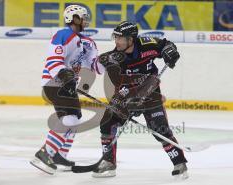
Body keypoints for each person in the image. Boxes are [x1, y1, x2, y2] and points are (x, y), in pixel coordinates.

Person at [92, 21, 188, 178]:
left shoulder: (147, 44)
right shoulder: (115, 56)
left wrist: (170, 52)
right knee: (107, 122)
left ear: (131, 39)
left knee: (160, 129)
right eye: (115, 38)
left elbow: (166, 45)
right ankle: (109, 162)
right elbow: (97, 68)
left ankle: (179, 163)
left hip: (150, 91)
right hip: (125, 93)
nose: (117, 42)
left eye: (120, 38)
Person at [30, 4, 104, 175]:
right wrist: (64, 74)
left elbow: (95, 67)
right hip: (54, 83)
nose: (86, 20)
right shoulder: (63, 34)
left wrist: (109, 60)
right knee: (71, 118)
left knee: (75, 119)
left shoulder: (88, 42)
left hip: (66, 85)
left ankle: (58, 155)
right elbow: (52, 60)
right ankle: (44, 154)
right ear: (74, 19)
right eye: (83, 17)